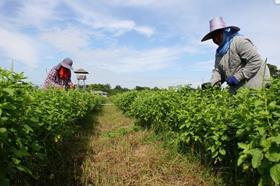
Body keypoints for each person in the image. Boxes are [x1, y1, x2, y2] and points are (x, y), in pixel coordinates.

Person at [201, 17, 270, 93]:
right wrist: (212, 84)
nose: (216, 39)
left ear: (225, 32)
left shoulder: (239, 42)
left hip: (256, 84)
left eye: (218, 35)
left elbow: (255, 61)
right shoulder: (219, 52)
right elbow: (218, 71)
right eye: (213, 38)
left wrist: (237, 77)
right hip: (238, 89)